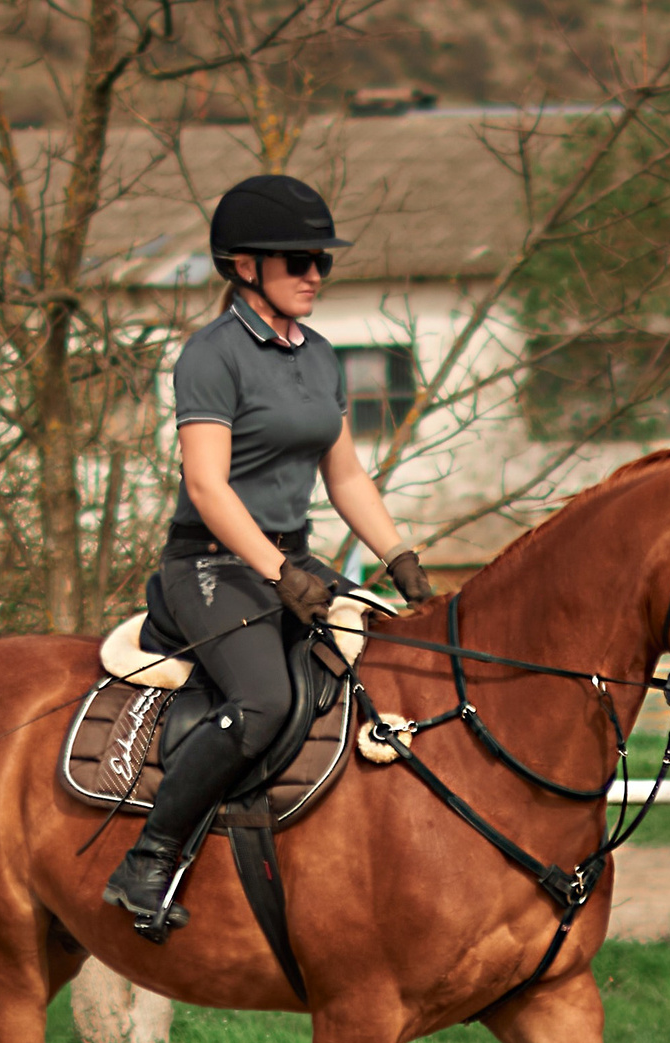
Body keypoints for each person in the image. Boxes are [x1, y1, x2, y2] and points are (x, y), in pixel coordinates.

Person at [103, 174, 434, 940]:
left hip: (292, 563)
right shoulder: (212, 356)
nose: (314, 272)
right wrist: (277, 571)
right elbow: (207, 485)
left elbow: (345, 474)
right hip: (211, 567)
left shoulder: (320, 356)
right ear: (245, 265)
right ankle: (147, 861)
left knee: (398, 663)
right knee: (266, 702)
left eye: (320, 259)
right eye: (297, 259)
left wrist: (399, 558)